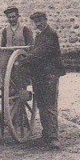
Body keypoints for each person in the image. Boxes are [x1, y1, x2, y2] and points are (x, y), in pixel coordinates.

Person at [24, 11, 66, 150]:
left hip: (50, 75)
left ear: (46, 20)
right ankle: (46, 135)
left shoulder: (50, 34)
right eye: (36, 22)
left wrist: (26, 60)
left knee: (50, 106)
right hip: (40, 76)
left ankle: (53, 137)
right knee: (42, 105)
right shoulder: (40, 35)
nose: (39, 24)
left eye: (41, 21)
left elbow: (41, 52)